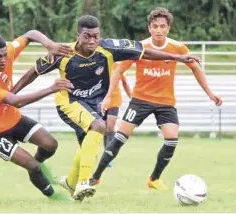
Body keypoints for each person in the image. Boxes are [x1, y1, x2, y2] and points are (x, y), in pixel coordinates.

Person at [11, 15, 200, 201]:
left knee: (88, 145)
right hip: (69, 102)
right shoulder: (63, 53)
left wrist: (178, 57)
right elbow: (33, 72)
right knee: (100, 127)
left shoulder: (108, 48)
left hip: (93, 104)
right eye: (87, 36)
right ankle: (83, 182)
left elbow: (144, 52)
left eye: (96, 36)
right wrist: (11, 94)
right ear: (78, 35)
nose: (92, 40)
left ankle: (70, 182)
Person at [92, 7, 223, 191]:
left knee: (172, 139)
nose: (159, 30)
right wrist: (107, 97)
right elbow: (119, 70)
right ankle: (95, 177)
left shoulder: (178, 48)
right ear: (149, 28)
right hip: (140, 100)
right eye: (155, 26)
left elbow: (195, 67)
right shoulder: (140, 47)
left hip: (165, 103)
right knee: (120, 137)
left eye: (163, 26)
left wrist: (210, 93)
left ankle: (154, 179)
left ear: (168, 28)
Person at [0, 31, 74, 198]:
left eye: (5, 55)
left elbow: (30, 34)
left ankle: (39, 166)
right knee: (32, 166)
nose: (3, 59)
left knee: (50, 144)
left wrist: (50, 45)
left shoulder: (7, 53)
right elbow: (16, 101)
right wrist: (51, 88)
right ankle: (55, 197)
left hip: (12, 118)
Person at [104, 66, 132, 167]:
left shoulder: (116, 66)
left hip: (114, 100)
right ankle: (103, 151)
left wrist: (131, 97)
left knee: (110, 126)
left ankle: (108, 155)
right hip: (99, 100)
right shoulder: (97, 62)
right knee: (103, 127)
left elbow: (124, 83)